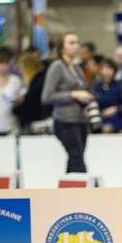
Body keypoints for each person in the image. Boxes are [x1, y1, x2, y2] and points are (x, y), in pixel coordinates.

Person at [42, 32, 94, 173]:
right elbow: (47, 96)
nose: (76, 45)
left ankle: (69, 191)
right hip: (65, 121)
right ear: (61, 48)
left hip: (81, 119)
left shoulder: (77, 68)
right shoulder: (57, 66)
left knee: (75, 159)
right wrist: (73, 94)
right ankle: (84, 191)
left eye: (77, 42)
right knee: (77, 160)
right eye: (71, 43)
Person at [13, 51, 52, 133]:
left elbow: (31, 105)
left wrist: (19, 104)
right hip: (39, 121)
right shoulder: (38, 80)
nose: (20, 70)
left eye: (21, 67)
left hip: (38, 123)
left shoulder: (37, 83)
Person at [93, 56, 122, 133]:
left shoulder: (120, 85)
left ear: (114, 71)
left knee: (108, 128)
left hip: (119, 117)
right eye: (104, 68)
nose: (107, 71)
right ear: (100, 70)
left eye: (110, 68)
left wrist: (115, 109)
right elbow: (95, 103)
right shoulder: (97, 86)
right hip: (102, 118)